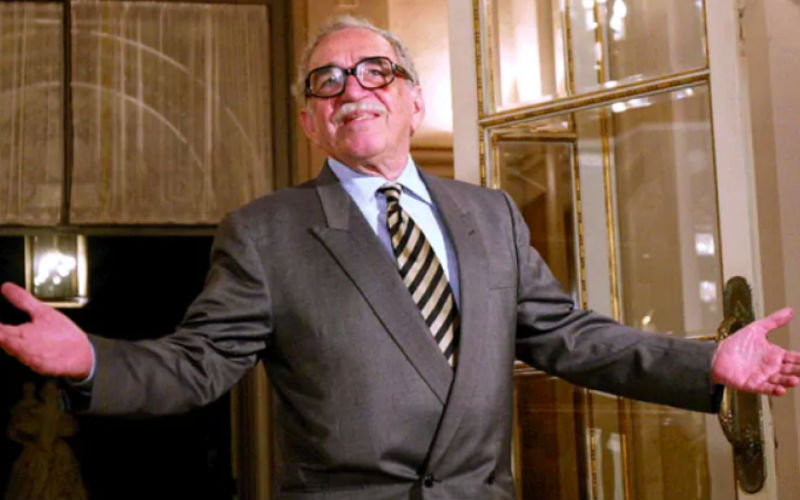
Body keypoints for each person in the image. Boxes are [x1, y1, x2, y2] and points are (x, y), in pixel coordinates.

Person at [0, 15, 798, 500]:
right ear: (311, 123)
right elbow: (196, 365)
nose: (352, 89)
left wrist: (705, 364)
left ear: (415, 99)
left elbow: (569, 337)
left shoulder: (489, 214)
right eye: (326, 81)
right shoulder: (266, 232)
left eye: (374, 71)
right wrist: (93, 362)